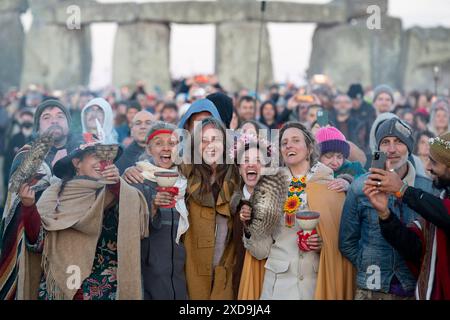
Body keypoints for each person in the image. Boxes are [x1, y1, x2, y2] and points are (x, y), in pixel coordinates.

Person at [19, 140, 148, 300]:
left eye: (107, 157)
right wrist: (29, 207)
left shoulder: (116, 192)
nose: (103, 162)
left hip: (105, 290)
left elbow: (136, 225)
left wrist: (116, 185)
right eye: (96, 156)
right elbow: (37, 244)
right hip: (58, 288)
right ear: (76, 163)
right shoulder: (54, 194)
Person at [243, 122, 354, 300]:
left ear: (309, 148)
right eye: (284, 143)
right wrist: (250, 227)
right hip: (277, 286)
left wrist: (323, 244)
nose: (289, 145)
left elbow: (341, 241)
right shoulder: (269, 187)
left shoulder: (329, 185)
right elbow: (260, 251)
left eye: (296, 140)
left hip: (316, 285)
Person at [339, 118, 435, 300]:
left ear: (409, 147)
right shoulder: (360, 187)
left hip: (417, 288)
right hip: (371, 289)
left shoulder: (428, 189)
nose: (391, 149)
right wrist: (367, 262)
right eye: (385, 142)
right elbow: (347, 241)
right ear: (378, 148)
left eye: (398, 141)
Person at [0, 99, 82, 299]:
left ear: (67, 122)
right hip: (37, 245)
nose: (54, 120)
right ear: (38, 126)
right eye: (47, 117)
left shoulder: (82, 153)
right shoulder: (27, 156)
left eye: (59, 116)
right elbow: (17, 201)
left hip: (77, 242)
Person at [363, 131, 450, 299]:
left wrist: (402, 190)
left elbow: (445, 214)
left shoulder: (439, 207)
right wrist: (385, 215)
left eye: (434, 162)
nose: (428, 168)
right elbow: (415, 249)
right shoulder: (441, 199)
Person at [124, 122, 188, 300]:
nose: (166, 148)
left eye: (172, 143)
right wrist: (153, 207)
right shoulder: (136, 179)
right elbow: (128, 231)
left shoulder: (187, 180)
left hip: (181, 275)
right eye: (159, 143)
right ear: (149, 148)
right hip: (149, 276)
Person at [180, 117, 240, 299]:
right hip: (193, 264)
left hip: (227, 262)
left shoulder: (238, 174)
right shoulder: (184, 173)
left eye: (215, 140)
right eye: (203, 141)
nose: (209, 146)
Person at [231, 134, 268, 300]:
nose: (252, 164)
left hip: (267, 276)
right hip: (238, 275)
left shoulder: (275, 201)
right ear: (239, 168)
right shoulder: (231, 204)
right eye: (245, 160)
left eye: (258, 160)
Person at [315, 127, 366, 192]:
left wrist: (350, 183)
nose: (335, 163)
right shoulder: (307, 171)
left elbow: (366, 183)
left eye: (339, 157)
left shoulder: (353, 168)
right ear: (317, 156)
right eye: (328, 156)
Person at [115, 110, 154, 174]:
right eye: (138, 123)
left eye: (148, 123)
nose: (143, 127)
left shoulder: (164, 152)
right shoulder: (123, 157)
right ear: (131, 131)